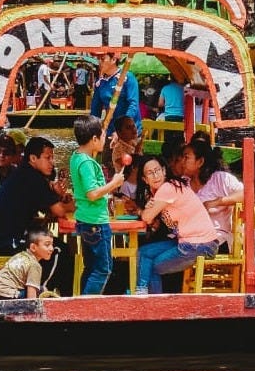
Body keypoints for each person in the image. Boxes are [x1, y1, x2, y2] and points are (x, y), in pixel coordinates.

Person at [135, 157, 220, 294]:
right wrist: (147, 209)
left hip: (199, 245)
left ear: (164, 171)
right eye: (150, 173)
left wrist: (144, 211)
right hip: (189, 242)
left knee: (151, 266)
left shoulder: (168, 187)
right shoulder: (160, 192)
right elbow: (150, 221)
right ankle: (142, 293)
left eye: (157, 170)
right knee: (143, 252)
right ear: (145, 179)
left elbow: (147, 217)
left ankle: (150, 305)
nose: (155, 175)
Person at [0, 136, 74, 255]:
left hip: (1, 241)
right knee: (60, 250)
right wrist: (77, 205)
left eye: (52, 158)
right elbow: (59, 211)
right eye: (48, 158)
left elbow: (50, 208)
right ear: (33, 158)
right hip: (7, 244)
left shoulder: (25, 173)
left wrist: (60, 197)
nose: (52, 162)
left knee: (57, 246)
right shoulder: (33, 178)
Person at [70, 114, 126, 294]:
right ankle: (87, 305)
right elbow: (92, 194)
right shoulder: (86, 163)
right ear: (94, 139)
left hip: (86, 220)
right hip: (95, 222)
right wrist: (114, 184)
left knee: (91, 267)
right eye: (102, 136)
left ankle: (81, 303)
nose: (105, 139)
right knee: (103, 269)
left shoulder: (76, 157)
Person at [183, 139, 244, 250]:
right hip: (189, 238)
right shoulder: (183, 183)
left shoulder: (220, 179)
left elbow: (245, 194)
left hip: (217, 240)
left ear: (200, 162)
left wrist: (217, 202)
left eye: (186, 158)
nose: (182, 162)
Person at [0, 225, 57, 300]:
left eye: (52, 244)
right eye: (47, 245)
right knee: (41, 291)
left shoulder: (19, 256)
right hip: (6, 296)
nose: (51, 248)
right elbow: (31, 299)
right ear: (33, 247)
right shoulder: (35, 265)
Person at [91, 51, 141, 137]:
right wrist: (94, 131)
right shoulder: (100, 83)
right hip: (110, 130)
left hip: (130, 131)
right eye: (98, 59)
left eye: (102, 59)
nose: (99, 62)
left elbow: (133, 105)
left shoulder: (128, 78)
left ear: (113, 59)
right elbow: (95, 111)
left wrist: (122, 129)